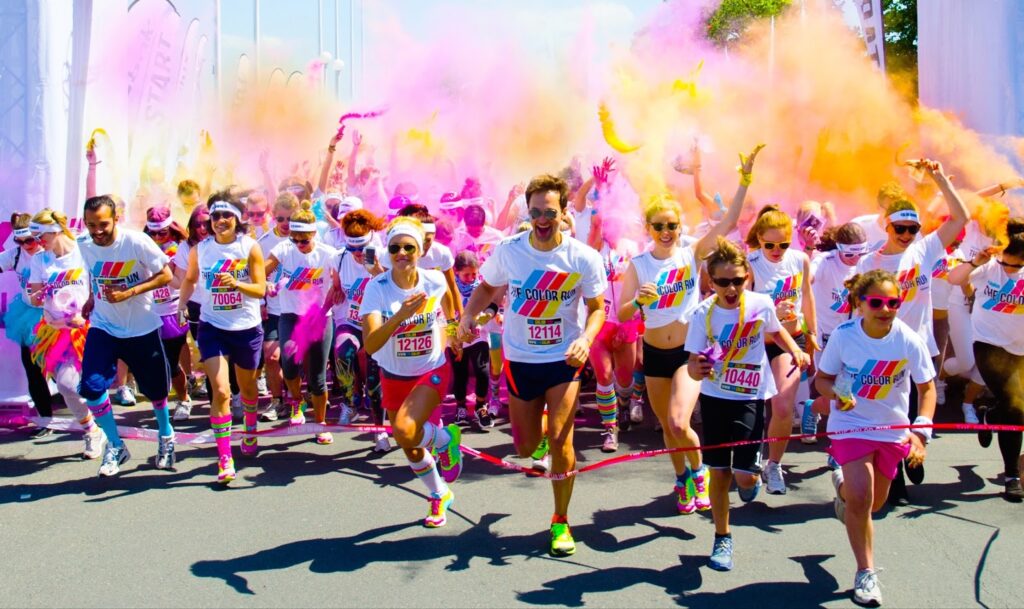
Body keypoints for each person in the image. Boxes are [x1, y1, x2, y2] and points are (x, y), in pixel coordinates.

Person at [459, 174, 607, 557]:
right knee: (526, 450)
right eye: (536, 212)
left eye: (551, 212)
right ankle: (538, 429)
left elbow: (596, 309)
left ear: (563, 213)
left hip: (563, 359)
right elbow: (488, 288)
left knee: (562, 439)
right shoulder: (509, 250)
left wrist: (585, 340)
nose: (543, 219)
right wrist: (466, 317)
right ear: (528, 211)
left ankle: (561, 521)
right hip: (522, 359)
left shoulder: (582, 257)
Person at [619, 145, 760, 509]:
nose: (666, 231)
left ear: (679, 227)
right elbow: (621, 314)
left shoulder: (690, 252)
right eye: (659, 226)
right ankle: (683, 478)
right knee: (667, 428)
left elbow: (727, 223)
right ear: (649, 228)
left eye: (672, 225)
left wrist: (743, 181)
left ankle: (698, 472)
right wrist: (639, 303)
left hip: (687, 352)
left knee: (680, 421)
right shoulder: (638, 264)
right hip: (653, 353)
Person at [686, 238, 810, 571]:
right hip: (714, 398)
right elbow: (691, 363)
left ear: (748, 279)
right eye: (723, 282)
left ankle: (751, 480)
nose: (731, 288)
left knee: (742, 477)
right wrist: (696, 368)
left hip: (749, 397)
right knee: (719, 472)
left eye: (737, 281)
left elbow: (777, 331)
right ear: (711, 282)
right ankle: (722, 536)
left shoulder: (760, 304)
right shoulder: (702, 313)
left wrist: (795, 349)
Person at [816, 269, 936, 606]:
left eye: (893, 302)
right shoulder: (843, 336)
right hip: (850, 424)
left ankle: (841, 486)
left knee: (873, 504)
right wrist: (837, 392)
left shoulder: (909, 339)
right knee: (862, 497)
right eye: (877, 302)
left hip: (891, 430)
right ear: (861, 304)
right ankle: (865, 573)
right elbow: (822, 380)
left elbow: (927, 388)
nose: (886, 309)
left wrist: (920, 432)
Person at [856, 159, 967, 494]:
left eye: (912, 229)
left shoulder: (925, 248)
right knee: (894, 409)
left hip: (920, 342)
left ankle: (914, 451)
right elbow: (857, 308)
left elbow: (961, 218)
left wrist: (938, 179)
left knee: (921, 403)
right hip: (884, 347)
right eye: (899, 229)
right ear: (886, 228)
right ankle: (897, 473)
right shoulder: (869, 262)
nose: (906, 235)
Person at [361, 217, 464, 527]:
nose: (402, 253)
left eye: (409, 247)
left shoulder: (435, 280)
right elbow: (371, 344)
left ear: (420, 250)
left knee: (405, 431)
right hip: (393, 374)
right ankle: (439, 492)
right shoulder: (377, 288)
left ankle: (446, 441)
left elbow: (449, 316)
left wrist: (455, 336)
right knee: (410, 445)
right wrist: (402, 315)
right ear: (387, 252)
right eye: (395, 248)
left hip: (431, 369)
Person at [77, 195, 175, 476]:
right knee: (92, 387)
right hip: (104, 326)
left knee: (156, 391)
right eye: (91, 225)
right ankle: (116, 445)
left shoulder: (135, 242)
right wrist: (92, 298)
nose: (96, 231)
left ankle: (166, 435)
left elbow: (166, 275)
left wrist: (129, 292)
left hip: (141, 327)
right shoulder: (84, 244)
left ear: (116, 219)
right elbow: (94, 275)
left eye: (103, 225)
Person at [178, 192, 266, 484]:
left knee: (248, 389)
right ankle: (225, 457)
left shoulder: (249, 247)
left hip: (246, 327)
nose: (219, 221)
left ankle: (250, 429)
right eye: (214, 217)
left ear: (238, 219)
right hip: (212, 326)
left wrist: (237, 283)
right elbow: (190, 279)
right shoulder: (200, 250)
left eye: (226, 216)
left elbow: (261, 290)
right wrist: (181, 305)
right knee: (221, 390)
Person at [743, 204, 818, 494]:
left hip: (791, 341)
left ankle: (774, 465)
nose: (777, 250)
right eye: (770, 244)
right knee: (754, 408)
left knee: (783, 405)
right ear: (759, 239)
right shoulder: (749, 263)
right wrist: (773, 309)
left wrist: (813, 333)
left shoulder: (800, 260)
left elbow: (808, 298)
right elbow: (741, 309)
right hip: (757, 343)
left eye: (783, 244)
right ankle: (751, 458)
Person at [948, 217, 1024, 501]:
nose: (1012, 270)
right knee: (1016, 405)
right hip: (989, 345)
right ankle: (1011, 476)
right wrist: (975, 262)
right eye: (1008, 263)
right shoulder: (989, 268)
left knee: (1011, 405)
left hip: (1020, 349)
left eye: (1018, 266)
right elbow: (954, 279)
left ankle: (989, 415)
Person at [26, 209, 104, 458]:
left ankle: (106, 428)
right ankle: (92, 430)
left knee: (92, 384)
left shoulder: (84, 252)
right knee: (66, 384)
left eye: (41, 235)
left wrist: (88, 313)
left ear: (56, 230)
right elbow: (35, 297)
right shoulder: (40, 260)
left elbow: (98, 287)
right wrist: (36, 297)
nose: (39, 241)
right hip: (56, 332)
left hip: (87, 329)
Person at [265, 201, 341, 445]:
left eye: (303, 240)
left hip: (319, 319)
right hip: (290, 317)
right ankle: (296, 402)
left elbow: (336, 288)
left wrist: (326, 307)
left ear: (314, 234)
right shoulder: (283, 249)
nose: (298, 244)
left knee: (318, 377)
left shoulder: (328, 254)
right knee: (288, 365)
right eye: (294, 238)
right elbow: (261, 270)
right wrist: (265, 283)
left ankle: (320, 424)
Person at [803, 222, 870, 443]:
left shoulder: (865, 264)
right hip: (826, 334)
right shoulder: (826, 261)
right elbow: (808, 278)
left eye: (861, 252)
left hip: (854, 334)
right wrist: (809, 251)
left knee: (848, 388)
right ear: (838, 248)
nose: (855, 259)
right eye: (849, 253)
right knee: (831, 387)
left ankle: (837, 437)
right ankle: (815, 411)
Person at [332, 208, 389, 451]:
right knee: (342, 352)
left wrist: (374, 269)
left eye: (360, 248)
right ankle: (350, 402)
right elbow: (337, 288)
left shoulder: (383, 254)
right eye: (352, 248)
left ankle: (380, 431)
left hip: (376, 323)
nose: (356, 254)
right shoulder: (339, 257)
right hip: (351, 320)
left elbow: (392, 289)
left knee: (374, 381)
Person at [1, 213, 51, 436]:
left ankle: (94, 417)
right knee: (33, 370)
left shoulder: (51, 253)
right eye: (19, 241)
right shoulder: (15, 255)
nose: (24, 246)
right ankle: (46, 420)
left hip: (56, 316)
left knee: (66, 372)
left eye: (29, 240)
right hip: (28, 316)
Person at [143, 207, 192, 418]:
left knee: (171, 360)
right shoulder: (143, 248)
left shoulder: (180, 249)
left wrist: (161, 265)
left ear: (171, 230)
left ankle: (184, 399)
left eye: (161, 233)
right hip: (150, 312)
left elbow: (179, 281)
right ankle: (165, 400)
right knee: (156, 361)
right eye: (151, 233)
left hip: (175, 310)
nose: (156, 237)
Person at [256, 192, 300, 421]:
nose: (285, 224)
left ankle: (299, 400)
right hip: (274, 309)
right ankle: (277, 401)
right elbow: (254, 275)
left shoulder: (304, 239)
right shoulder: (263, 243)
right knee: (271, 357)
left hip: (299, 309)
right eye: (280, 219)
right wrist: (263, 297)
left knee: (298, 358)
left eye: (290, 219)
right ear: (273, 217)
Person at [451, 251, 497, 428]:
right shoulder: (451, 288)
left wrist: (487, 315)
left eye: (474, 274)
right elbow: (445, 311)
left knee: (483, 371)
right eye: (466, 274)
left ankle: (480, 405)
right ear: (456, 271)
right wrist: (455, 333)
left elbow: (493, 302)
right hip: (457, 339)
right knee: (460, 374)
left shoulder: (482, 287)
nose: (471, 278)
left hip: (479, 336)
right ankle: (461, 407)